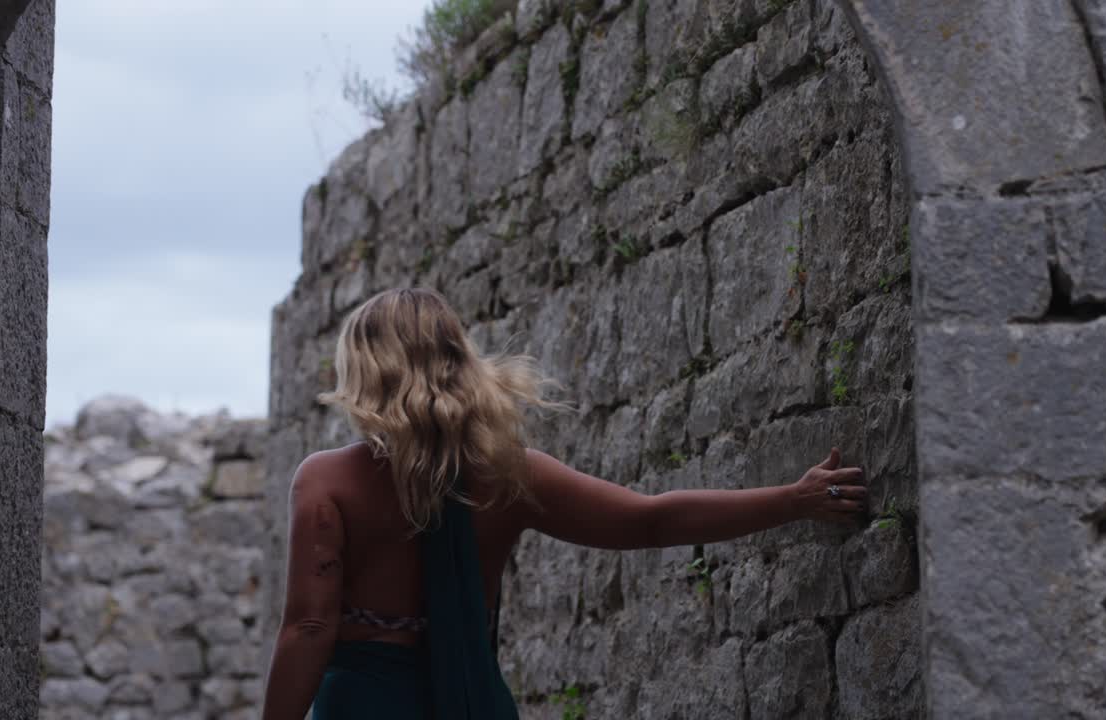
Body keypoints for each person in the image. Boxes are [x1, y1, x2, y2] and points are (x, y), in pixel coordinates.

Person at [260, 287, 867, 720]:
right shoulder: (510, 476)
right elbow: (651, 520)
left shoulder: (327, 481)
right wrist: (794, 499)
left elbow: (310, 626)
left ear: (364, 373)